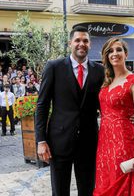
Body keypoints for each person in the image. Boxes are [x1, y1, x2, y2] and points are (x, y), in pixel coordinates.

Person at [35, 26, 104, 196]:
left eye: (85, 41)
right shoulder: (54, 67)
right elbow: (42, 105)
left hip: (88, 140)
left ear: (90, 44)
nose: (82, 44)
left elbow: (105, 105)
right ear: (70, 43)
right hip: (59, 141)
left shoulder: (99, 71)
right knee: (59, 191)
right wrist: (40, 140)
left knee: (87, 190)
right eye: (78, 40)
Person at [93, 37, 134, 196]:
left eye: (118, 50)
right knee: (105, 183)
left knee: (121, 185)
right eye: (111, 51)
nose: (114, 54)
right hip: (104, 142)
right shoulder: (107, 81)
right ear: (107, 56)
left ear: (126, 54)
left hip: (123, 142)